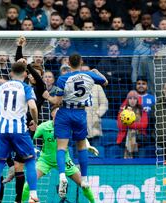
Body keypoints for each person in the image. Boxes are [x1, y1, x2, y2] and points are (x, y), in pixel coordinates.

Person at [52, 53, 108, 198]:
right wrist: (96, 72)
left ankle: (62, 175)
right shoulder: (89, 75)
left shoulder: (63, 78)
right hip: (80, 114)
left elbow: (57, 102)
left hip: (64, 113)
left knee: (61, 147)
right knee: (82, 146)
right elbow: (105, 82)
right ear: (81, 62)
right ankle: (83, 179)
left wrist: (47, 96)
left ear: (68, 63)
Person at [0, 61, 39, 202]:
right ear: (25, 74)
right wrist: (36, 121)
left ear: (11, 73)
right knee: (30, 160)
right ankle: (33, 195)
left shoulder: (1, 87)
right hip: (19, 130)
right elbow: (32, 107)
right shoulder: (26, 87)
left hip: (3, 130)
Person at [22, 106, 96, 203]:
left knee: (83, 184)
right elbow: (27, 137)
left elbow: (81, 137)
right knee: (28, 183)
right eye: (58, 111)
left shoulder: (67, 125)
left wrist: (88, 145)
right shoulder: (44, 127)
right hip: (45, 161)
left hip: (65, 161)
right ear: (52, 114)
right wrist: (31, 148)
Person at [81, 65, 108, 146]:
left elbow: (104, 103)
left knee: (96, 150)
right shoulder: (76, 87)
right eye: (83, 71)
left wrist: (97, 114)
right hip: (81, 122)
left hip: (94, 123)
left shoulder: (97, 87)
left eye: (87, 71)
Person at [117, 90, 148, 159]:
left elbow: (144, 125)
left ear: (137, 100)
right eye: (130, 98)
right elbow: (120, 126)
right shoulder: (122, 111)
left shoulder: (143, 110)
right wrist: (136, 125)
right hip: (125, 139)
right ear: (127, 100)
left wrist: (128, 123)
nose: (132, 100)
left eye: (134, 98)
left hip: (140, 139)